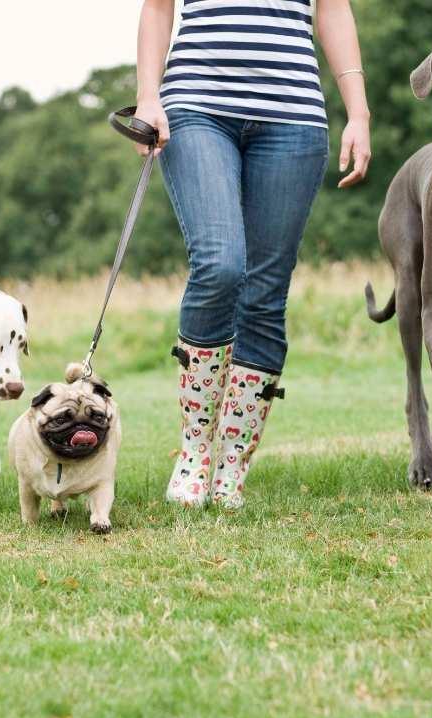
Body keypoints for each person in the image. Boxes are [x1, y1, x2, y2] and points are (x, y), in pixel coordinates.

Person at [136, 0, 371, 508]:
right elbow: (157, 9)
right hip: (196, 107)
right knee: (220, 263)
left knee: (265, 294)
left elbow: (333, 11)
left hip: (292, 118)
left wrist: (358, 112)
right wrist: (146, 97)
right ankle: (196, 449)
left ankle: (231, 463)